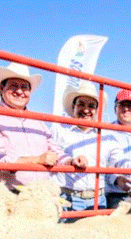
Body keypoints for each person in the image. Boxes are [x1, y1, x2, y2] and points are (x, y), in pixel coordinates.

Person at [0, 63, 63, 190]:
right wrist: (38, 159)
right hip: (8, 195)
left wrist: (72, 161)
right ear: (2, 88)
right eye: (13, 86)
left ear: (30, 92)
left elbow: (55, 150)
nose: (19, 91)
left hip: (40, 194)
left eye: (25, 87)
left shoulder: (38, 121)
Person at [52, 81, 122, 213]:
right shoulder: (59, 130)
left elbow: (118, 162)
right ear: (73, 106)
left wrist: (130, 171)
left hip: (98, 199)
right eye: (81, 104)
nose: (86, 110)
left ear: (96, 110)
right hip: (67, 198)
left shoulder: (106, 134)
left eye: (91, 106)